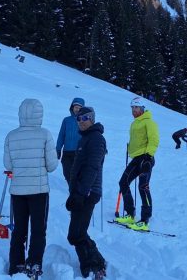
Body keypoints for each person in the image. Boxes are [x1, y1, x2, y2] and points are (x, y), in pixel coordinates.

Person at [3, 99, 58, 277]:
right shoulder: (45, 135)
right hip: (39, 191)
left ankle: (15, 265)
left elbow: (8, 164)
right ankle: (34, 264)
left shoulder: (11, 136)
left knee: (19, 229)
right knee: (38, 229)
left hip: (18, 191)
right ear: (39, 114)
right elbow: (51, 166)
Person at [66, 106, 107, 279]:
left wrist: (81, 193)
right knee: (77, 233)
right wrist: (74, 191)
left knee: (76, 234)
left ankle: (95, 265)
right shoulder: (86, 138)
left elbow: (93, 167)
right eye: (79, 119)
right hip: (81, 191)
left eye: (85, 118)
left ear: (92, 118)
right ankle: (94, 262)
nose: (81, 122)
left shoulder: (96, 138)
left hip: (88, 192)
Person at [114, 97, 159, 231]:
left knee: (143, 186)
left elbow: (154, 140)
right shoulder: (134, 123)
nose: (134, 110)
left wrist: (148, 156)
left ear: (142, 108)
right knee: (123, 182)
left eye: (136, 107)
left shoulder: (149, 122)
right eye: (132, 108)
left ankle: (145, 220)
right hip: (136, 158)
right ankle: (130, 213)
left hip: (146, 158)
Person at [56, 98, 85, 186]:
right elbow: (61, 135)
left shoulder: (84, 119)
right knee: (66, 172)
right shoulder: (66, 120)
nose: (77, 109)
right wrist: (58, 149)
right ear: (72, 107)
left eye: (79, 107)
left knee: (77, 172)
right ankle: (73, 188)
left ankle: (76, 190)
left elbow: (91, 134)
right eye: (75, 107)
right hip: (66, 152)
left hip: (78, 152)